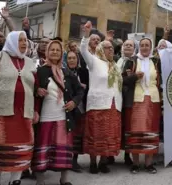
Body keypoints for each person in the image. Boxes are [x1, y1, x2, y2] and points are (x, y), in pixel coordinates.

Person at [0, 31, 39, 185]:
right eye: (20, 40)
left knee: (21, 149)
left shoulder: (30, 62)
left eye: (25, 40)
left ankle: (15, 181)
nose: (24, 43)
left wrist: (36, 110)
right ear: (12, 41)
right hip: (1, 112)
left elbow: (36, 89)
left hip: (24, 113)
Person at [32, 40, 84, 185]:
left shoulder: (66, 71)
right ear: (47, 52)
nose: (54, 52)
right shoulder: (40, 71)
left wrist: (74, 102)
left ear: (62, 53)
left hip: (63, 116)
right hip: (45, 116)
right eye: (52, 50)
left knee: (64, 147)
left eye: (57, 50)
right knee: (43, 147)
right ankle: (40, 181)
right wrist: (37, 91)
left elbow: (80, 90)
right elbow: (32, 89)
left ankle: (64, 179)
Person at [80, 21, 122, 174]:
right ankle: (92, 163)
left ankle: (103, 162)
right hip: (97, 105)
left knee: (108, 135)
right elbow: (83, 50)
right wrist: (86, 35)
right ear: (100, 49)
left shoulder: (115, 66)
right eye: (107, 47)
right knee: (95, 134)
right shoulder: (93, 61)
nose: (110, 49)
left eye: (111, 47)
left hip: (113, 105)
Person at [123, 38, 161, 174]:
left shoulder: (156, 61)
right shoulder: (132, 61)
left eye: (147, 45)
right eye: (142, 45)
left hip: (153, 99)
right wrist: (134, 76)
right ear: (139, 47)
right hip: (136, 100)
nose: (145, 47)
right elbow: (123, 80)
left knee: (151, 130)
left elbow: (161, 79)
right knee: (136, 131)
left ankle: (149, 164)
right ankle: (135, 163)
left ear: (151, 47)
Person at [66, 50, 88, 173]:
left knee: (79, 134)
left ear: (78, 59)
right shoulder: (63, 72)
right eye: (69, 58)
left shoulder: (84, 72)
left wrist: (83, 86)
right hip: (69, 107)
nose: (72, 60)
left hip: (81, 106)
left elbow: (89, 86)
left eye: (74, 58)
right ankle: (66, 159)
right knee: (70, 134)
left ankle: (75, 160)